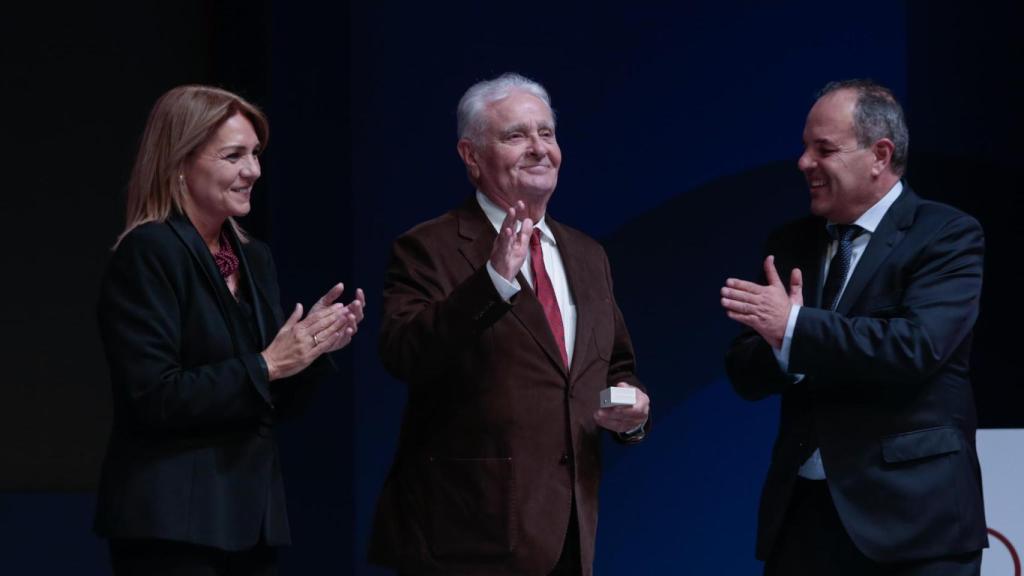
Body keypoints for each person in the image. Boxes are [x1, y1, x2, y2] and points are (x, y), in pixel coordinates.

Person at [368, 72, 650, 576]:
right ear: (471, 156)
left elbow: (615, 366)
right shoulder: (428, 247)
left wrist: (633, 413)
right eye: (516, 135)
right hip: (467, 536)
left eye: (547, 133)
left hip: (570, 532)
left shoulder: (588, 254)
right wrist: (493, 280)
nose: (539, 149)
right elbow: (404, 353)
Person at [94, 85, 366, 575]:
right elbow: (153, 397)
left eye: (256, 154)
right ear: (180, 163)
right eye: (234, 155)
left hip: (250, 521)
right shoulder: (150, 252)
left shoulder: (254, 258)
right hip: (172, 525)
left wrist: (312, 349)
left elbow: (268, 401)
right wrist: (269, 364)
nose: (254, 171)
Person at [721, 79, 987, 575]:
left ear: (879, 155)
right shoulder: (789, 242)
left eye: (824, 150)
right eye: (805, 148)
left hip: (913, 522)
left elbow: (915, 346)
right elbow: (743, 369)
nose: (804, 163)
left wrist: (795, 328)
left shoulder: (946, 235)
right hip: (804, 519)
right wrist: (783, 344)